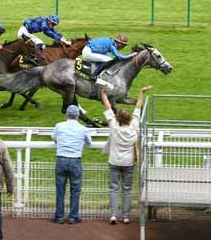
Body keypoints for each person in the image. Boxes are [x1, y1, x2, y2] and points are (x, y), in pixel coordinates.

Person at [101, 85, 152, 224]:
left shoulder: (114, 126)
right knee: (127, 190)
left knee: (113, 189)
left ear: (118, 118)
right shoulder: (134, 125)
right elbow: (138, 107)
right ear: (129, 118)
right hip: (128, 163)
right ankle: (125, 216)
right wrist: (142, 92)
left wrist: (104, 94)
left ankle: (113, 215)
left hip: (114, 162)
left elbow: (107, 107)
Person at [52, 105, 92, 224]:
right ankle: (73, 216)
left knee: (60, 190)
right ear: (78, 115)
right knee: (75, 190)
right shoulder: (83, 129)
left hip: (61, 160)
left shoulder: (59, 126)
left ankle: (59, 216)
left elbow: (54, 138)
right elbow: (89, 142)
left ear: (66, 115)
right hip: (75, 161)